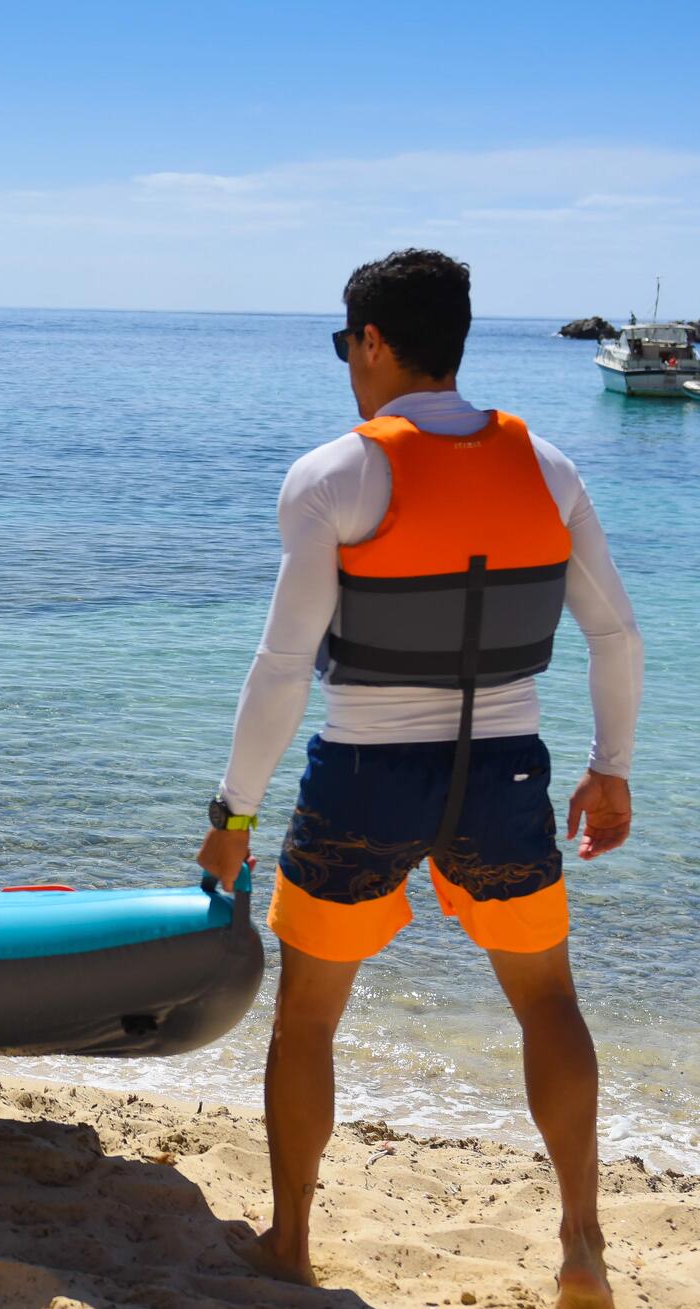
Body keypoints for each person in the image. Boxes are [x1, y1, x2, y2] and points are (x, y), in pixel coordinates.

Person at [195, 250, 641, 1309]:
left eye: (349, 342)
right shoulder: (552, 468)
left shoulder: (333, 476)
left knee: (307, 1017)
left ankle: (292, 1244)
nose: (349, 361)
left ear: (376, 342)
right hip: (506, 776)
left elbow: (282, 667)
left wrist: (233, 813)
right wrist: (610, 770)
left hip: (364, 778)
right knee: (548, 1004)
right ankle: (583, 1244)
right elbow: (615, 635)